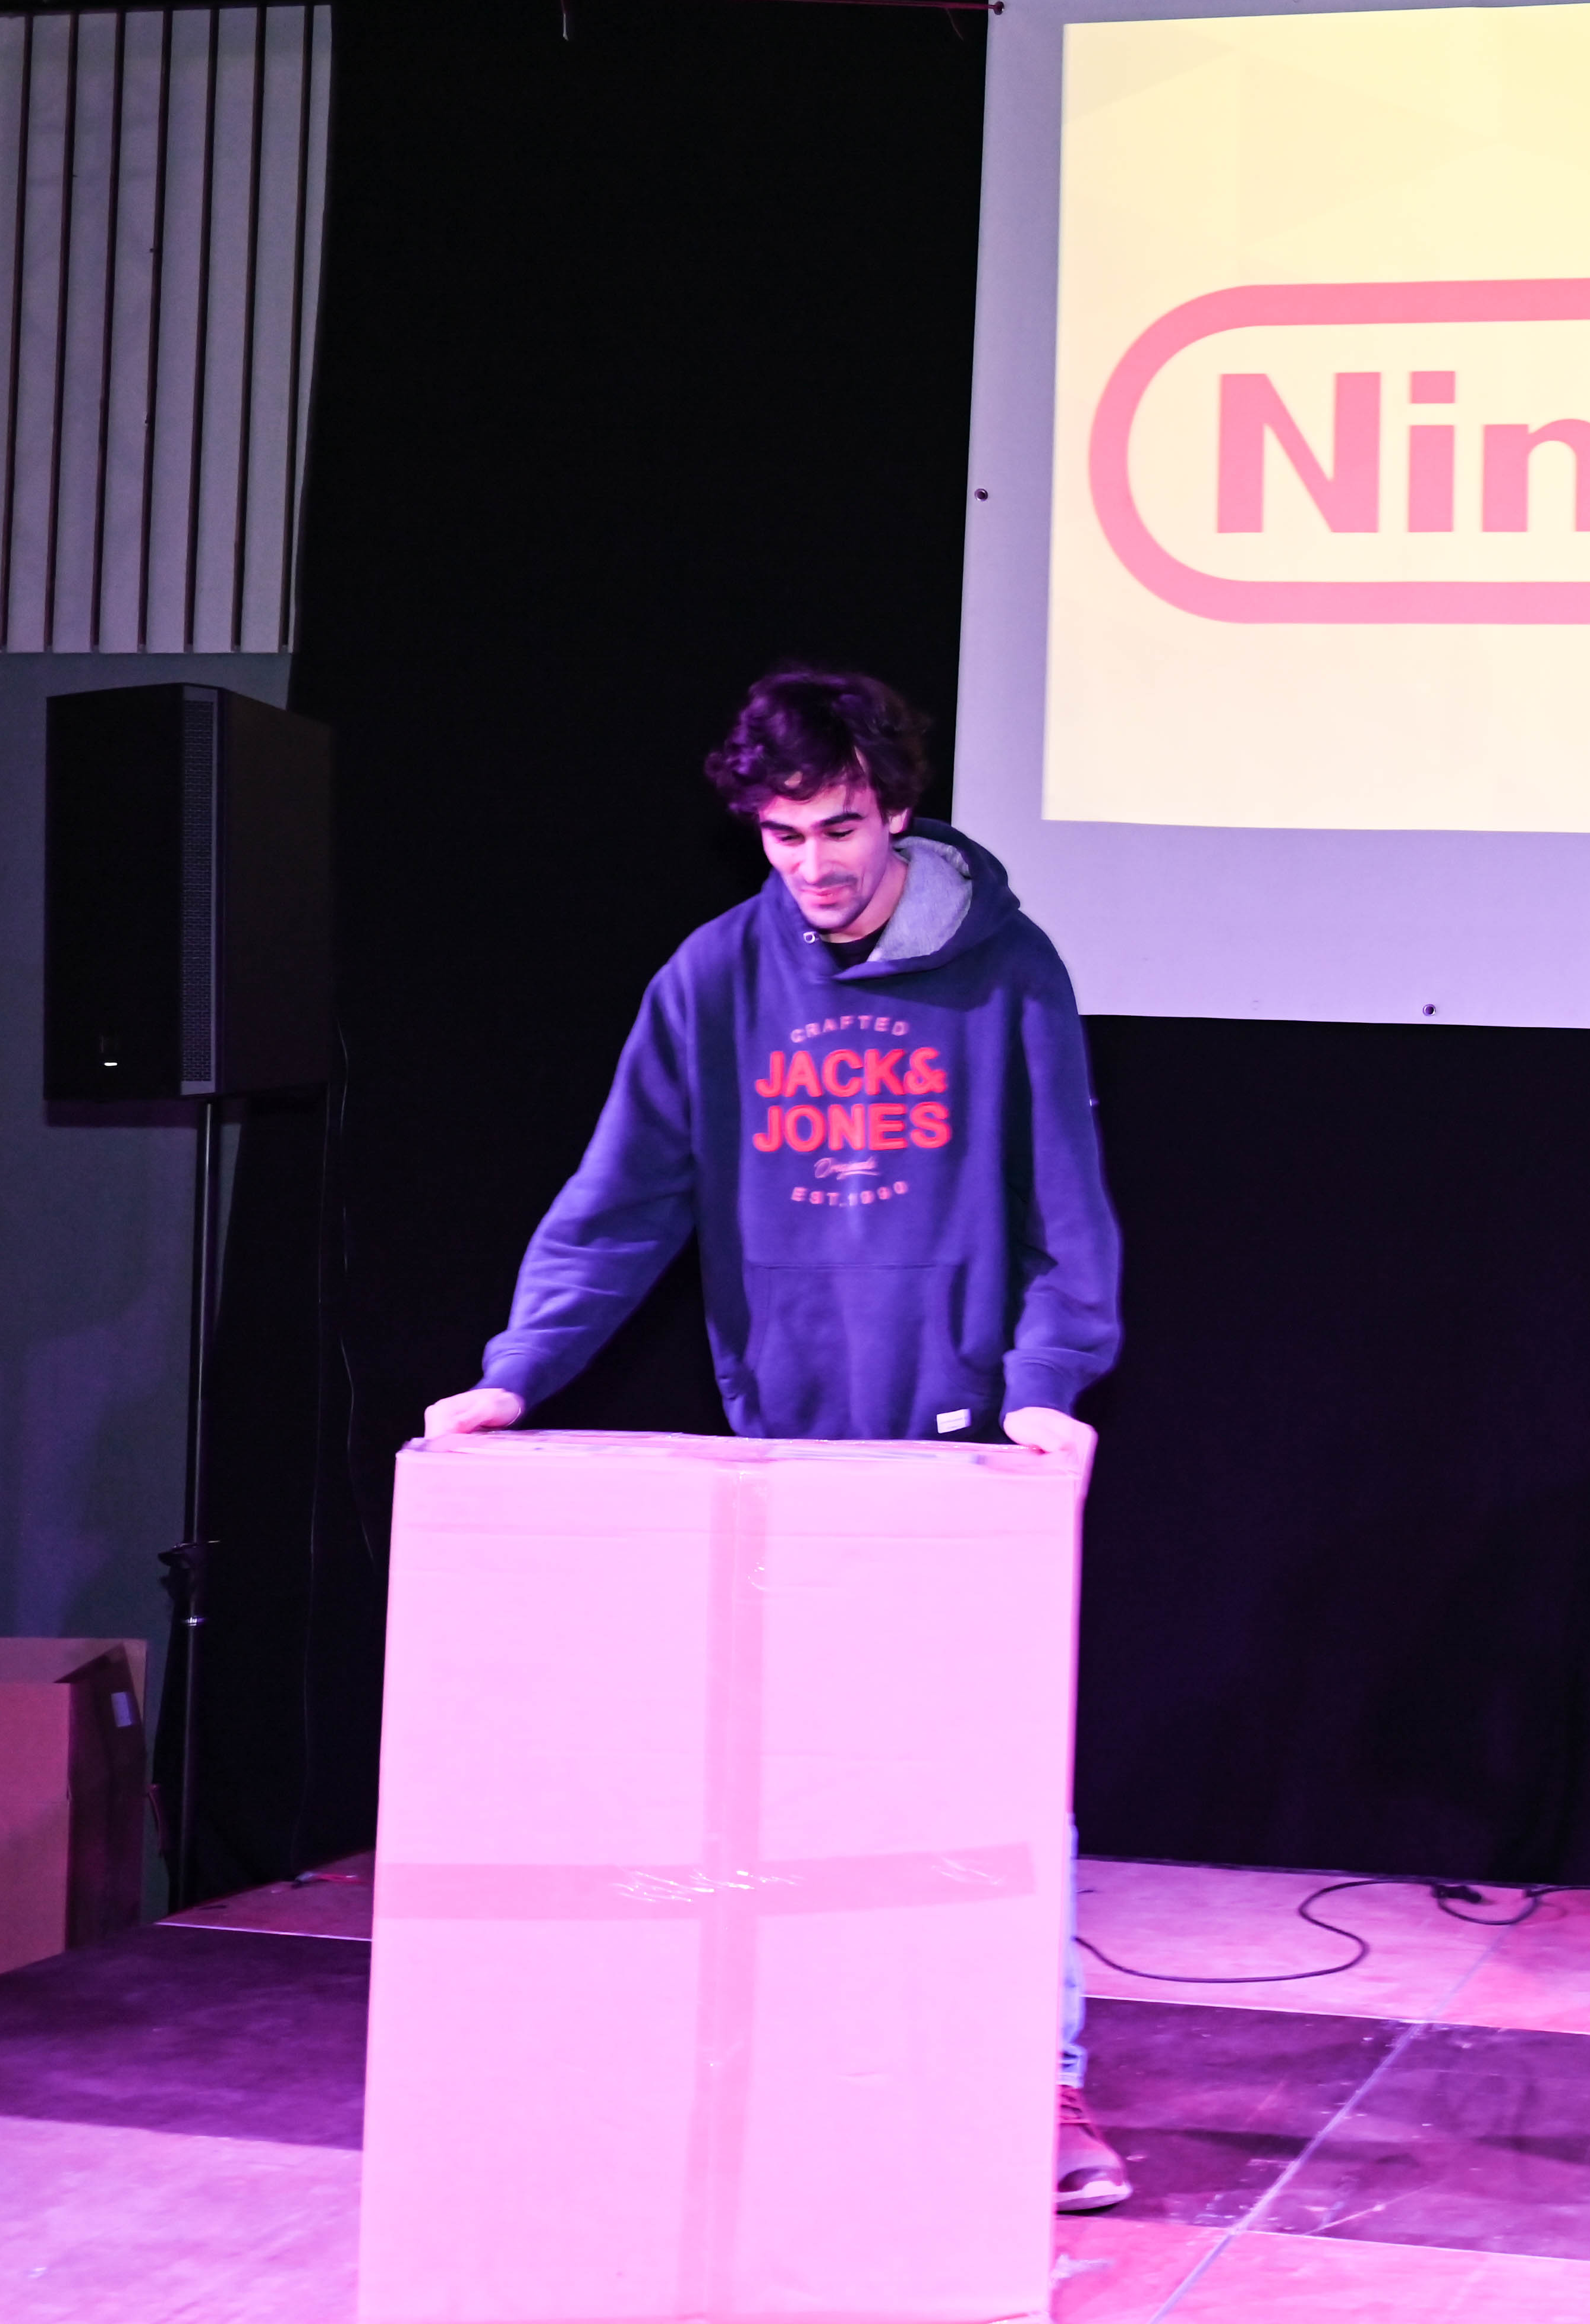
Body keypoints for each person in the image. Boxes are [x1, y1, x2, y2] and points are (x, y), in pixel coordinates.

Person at [421, 665, 1132, 2211]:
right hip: (785, 1454)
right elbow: (622, 1203)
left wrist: (1048, 1382)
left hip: (966, 1452)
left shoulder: (1008, 971)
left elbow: (1067, 1209)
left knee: (1003, 1780)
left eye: (842, 829)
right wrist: (516, 1375)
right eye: (783, 835)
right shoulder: (715, 980)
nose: (814, 865)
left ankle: (1042, 2090)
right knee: (802, 1782)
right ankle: (838, 2073)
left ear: (899, 810)